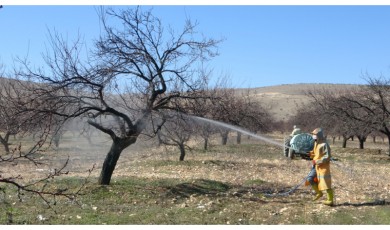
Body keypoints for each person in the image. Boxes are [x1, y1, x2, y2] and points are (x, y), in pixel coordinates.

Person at [307, 128, 334, 206]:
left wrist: (318, 161)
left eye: (314, 135)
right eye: (313, 134)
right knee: (310, 179)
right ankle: (319, 193)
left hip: (323, 168)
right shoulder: (316, 143)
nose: (313, 136)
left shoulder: (324, 144)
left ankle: (330, 200)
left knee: (326, 183)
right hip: (316, 167)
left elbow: (327, 157)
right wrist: (310, 154)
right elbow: (315, 153)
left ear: (318, 135)